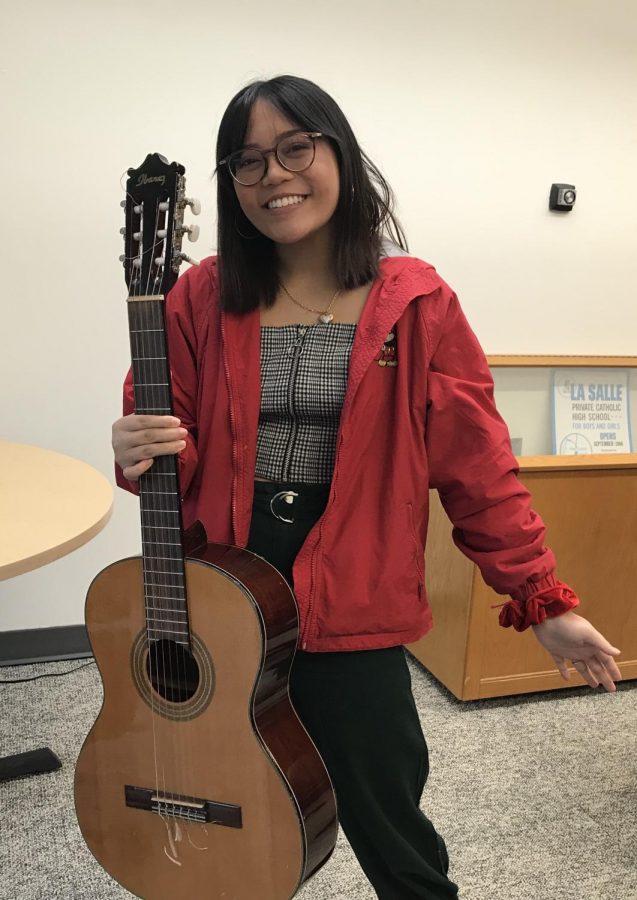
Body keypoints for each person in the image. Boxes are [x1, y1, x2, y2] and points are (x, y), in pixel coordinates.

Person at [112, 74, 622, 899]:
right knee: (221, 789)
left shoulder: (415, 300)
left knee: (387, 811)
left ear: (339, 155)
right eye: (246, 162)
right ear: (227, 183)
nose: (273, 176)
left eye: (293, 149)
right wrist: (135, 444)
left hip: (353, 595)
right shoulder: (198, 296)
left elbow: (477, 468)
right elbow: (159, 444)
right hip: (220, 589)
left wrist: (542, 600)